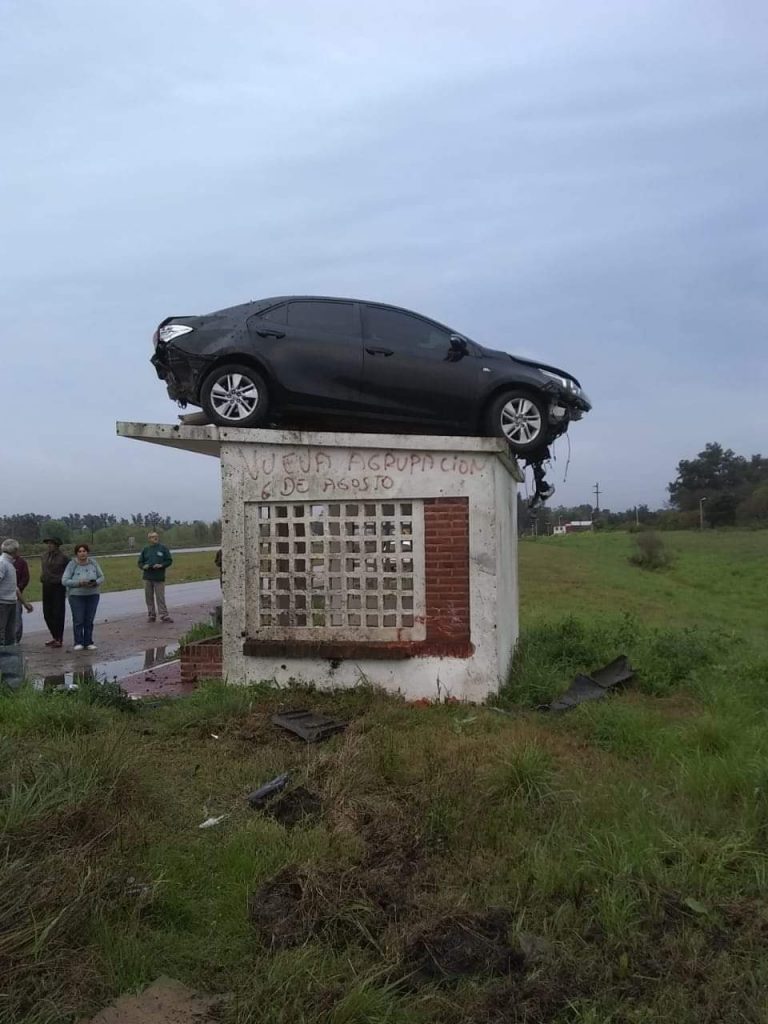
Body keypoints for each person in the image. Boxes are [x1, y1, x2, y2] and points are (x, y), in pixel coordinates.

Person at [62, 543, 104, 651]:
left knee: (89, 619)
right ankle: (78, 642)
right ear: (76, 553)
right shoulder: (72, 564)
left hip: (93, 594)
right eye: (80, 551)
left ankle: (88, 641)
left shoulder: (93, 562)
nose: (82, 553)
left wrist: (96, 582)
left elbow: (101, 576)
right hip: (77, 596)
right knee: (78, 619)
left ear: (87, 552)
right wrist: (79, 583)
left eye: (84, 551)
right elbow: (65, 580)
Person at [0, 539, 33, 646]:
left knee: (10, 636)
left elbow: (15, 588)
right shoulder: (2, 563)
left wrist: (25, 603)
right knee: (1, 635)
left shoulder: (10, 564)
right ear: (14, 550)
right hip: (2, 604)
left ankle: (9, 659)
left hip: (11, 602)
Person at [138, 531, 174, 623]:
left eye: (156, 536)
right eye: (153, 537)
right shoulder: (145, 549)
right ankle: (151, 615)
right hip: (147, 576)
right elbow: (140, 562)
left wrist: (161, 565)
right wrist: (143, 566)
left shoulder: (163, 548)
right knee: (148, 597)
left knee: (160, 597)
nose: (155, 538)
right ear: (149, 539)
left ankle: (164, 615)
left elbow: (169, 560)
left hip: (159, 576)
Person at [41, 536, 70, 647]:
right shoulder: (43, 556)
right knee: (47, 613)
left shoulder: (64, 558)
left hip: (58, 586)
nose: (49, 545)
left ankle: (59, 638)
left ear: (57, 545)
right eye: (48, 543)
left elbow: (69, 570)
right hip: (46, 585)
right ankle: (54, 636)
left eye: (51, 543)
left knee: (58, 613)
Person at [11, 542, 30, 643]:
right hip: (6, 594)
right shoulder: (3, 562)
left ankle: (16, 639)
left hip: (17, 593)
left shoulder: (21, 562)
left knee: (17, 617)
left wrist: (20, 587)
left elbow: (25, 577)